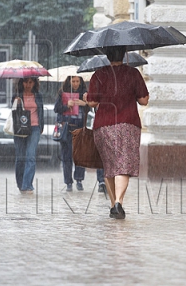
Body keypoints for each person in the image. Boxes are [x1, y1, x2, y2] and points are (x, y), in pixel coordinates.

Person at [86, 46, 149, 219]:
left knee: (110, 166)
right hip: (128, 123)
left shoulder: (98, 75)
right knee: (124, 165)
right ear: (124, 55)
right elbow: (144, 100)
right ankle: (119, 203)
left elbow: (91, 102)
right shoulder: (133, 74)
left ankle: (114, 205)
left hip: (103, 125)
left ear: (107, 56)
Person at [53, 75, 105, 192]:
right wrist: (67, 105)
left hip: (80, 127)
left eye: (77, 81)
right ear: (69, 82)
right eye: (73, 81)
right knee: (66, 156)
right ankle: (68, 182)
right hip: (66, 128)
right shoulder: (62, 93)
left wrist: (85, 103)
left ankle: (79, 179)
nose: (75, 84)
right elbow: (56, 108)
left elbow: (92, 108)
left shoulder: (84, 93)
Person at [12, 77, 44, 194]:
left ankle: (27, 185)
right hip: (20, 128)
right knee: (20, 157)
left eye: (31, 82)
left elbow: (41, 111)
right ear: (22, 82)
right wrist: (17, 102)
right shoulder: (17, 95)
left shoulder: (38, 95)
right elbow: (13, 111)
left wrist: (41, 127)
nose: (28, 85)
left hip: (35, 128)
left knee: (30, 156)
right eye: (26, 82)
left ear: (35, 83)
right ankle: (20, 184)